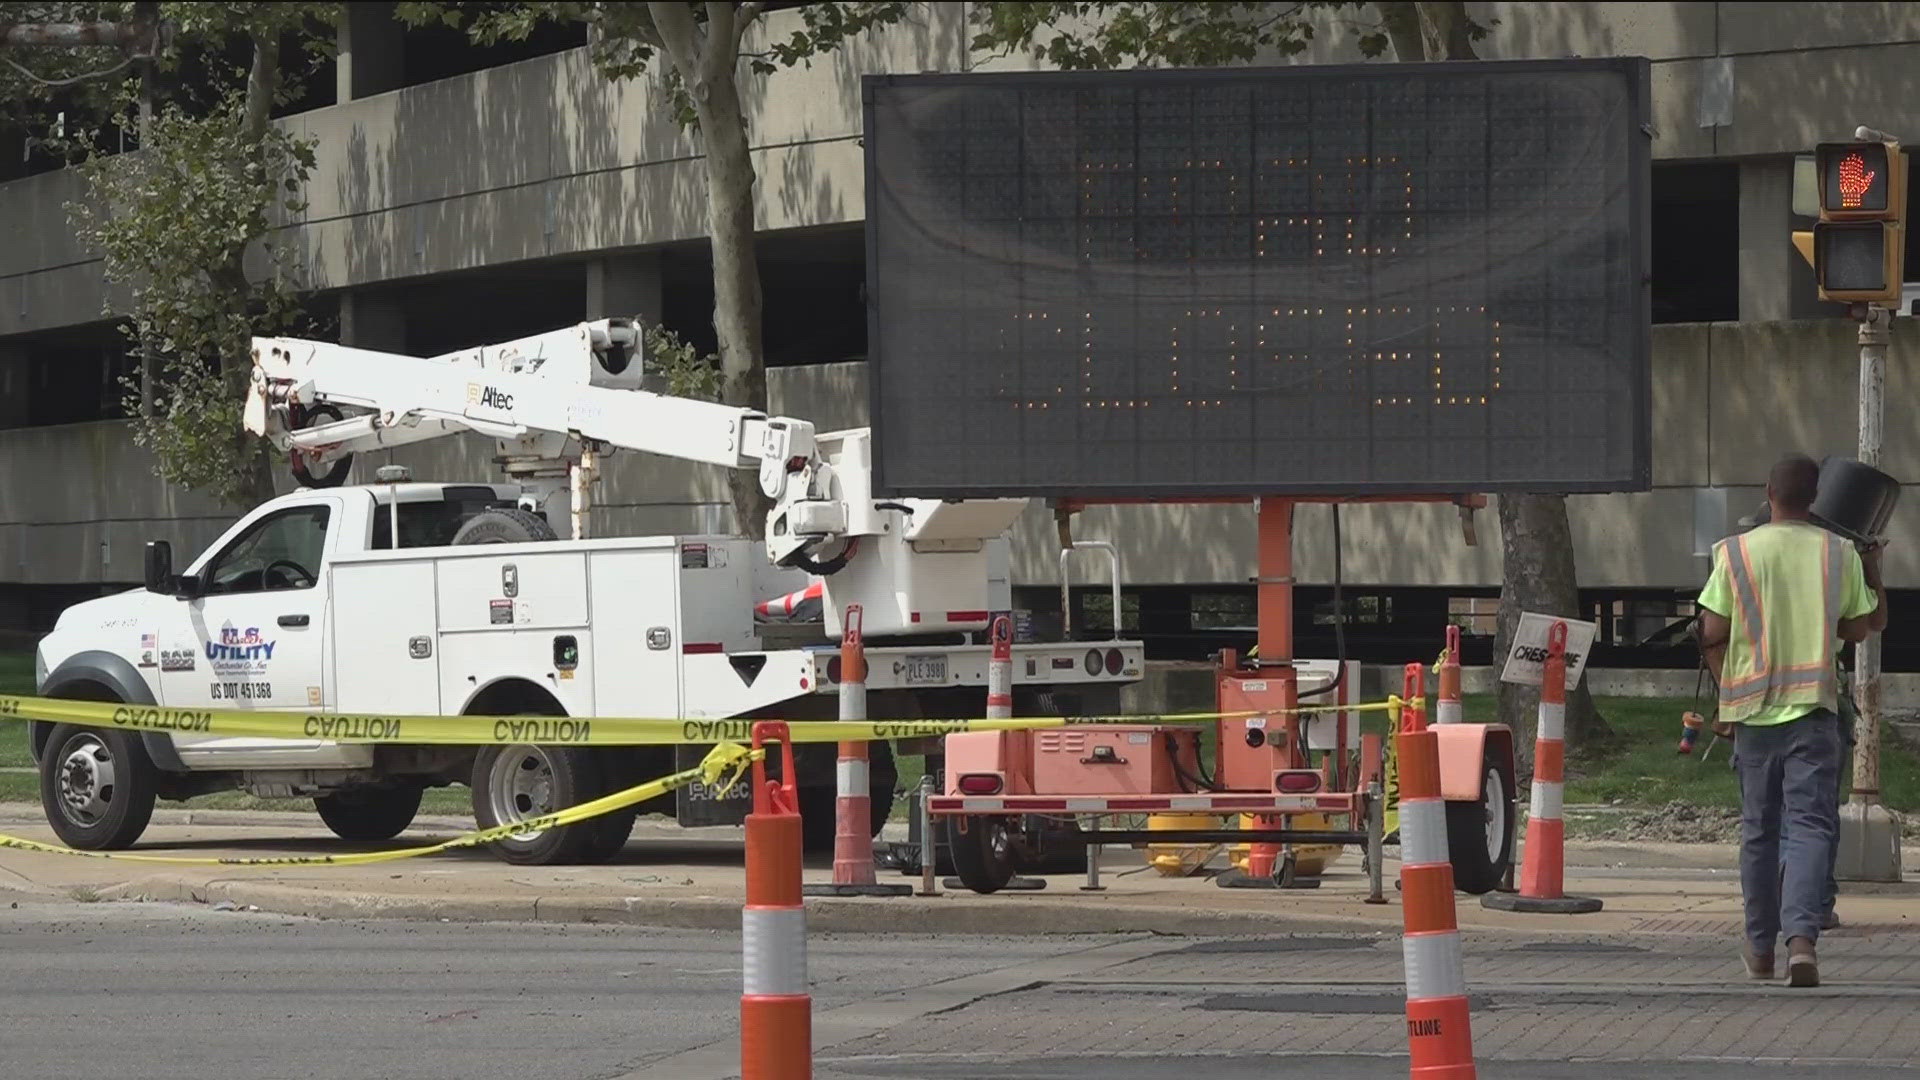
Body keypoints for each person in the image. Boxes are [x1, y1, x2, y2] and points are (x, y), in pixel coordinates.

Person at [1696, 454, 1887, 988]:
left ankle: (1760, 950)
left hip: (1753, 716)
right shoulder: (1837, 553)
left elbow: (1711, 631)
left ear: (1768, 493)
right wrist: (1874, 570)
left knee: (1759, 831)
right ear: (1816, 497)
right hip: (1814, 712)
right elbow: (1859, 628)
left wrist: (1726, 697)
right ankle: (1801, 943)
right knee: (1808, 827)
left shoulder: (1734, 554)